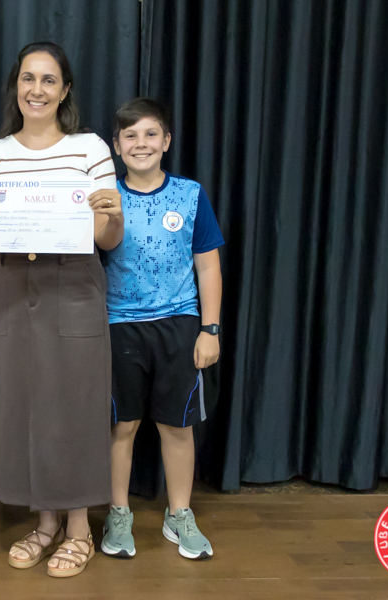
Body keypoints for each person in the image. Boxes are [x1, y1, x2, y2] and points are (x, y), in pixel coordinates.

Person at [0, 41, 124, 578]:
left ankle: (79, 529)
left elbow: (108, 238)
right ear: (16, 85)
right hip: (13, 283)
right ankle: (45, 522)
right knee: (25, 405)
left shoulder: (89, 149)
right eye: (28, 78)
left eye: (49, 80)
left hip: (73, 282)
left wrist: (112, 215)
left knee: (74, 405)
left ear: (65, 90)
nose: (37, 90)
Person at [100, 98, 224, 560]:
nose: (141, 144)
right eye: (130, 136)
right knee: (123, 426)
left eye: (151, 134)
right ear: (116, 146)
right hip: (120, 325)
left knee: (177, 426)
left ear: (166, 141)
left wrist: (210, 329)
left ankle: (179, 514)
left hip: (179, 325)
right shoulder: (106, 197)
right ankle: (118, 513)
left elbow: (208, 266)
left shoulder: (190, 195)